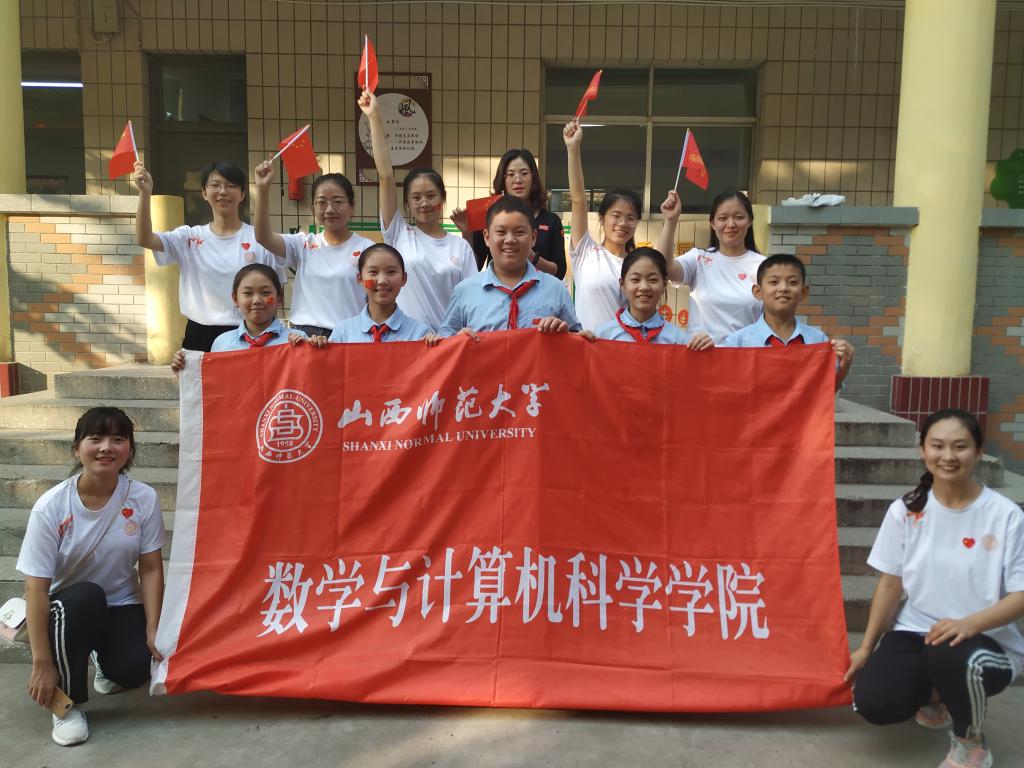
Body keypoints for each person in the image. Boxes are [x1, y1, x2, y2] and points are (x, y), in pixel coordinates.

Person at [845, 409, 1024, 768]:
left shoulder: (1005, 515)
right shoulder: (905, 510)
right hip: (917, 632)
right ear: (922, 450)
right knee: (874, 701)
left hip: (986, 642)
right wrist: (865, 648)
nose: (948, 456)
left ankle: (971, 743)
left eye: (960, 446)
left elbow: (1021, 595)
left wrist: (968, 624)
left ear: (978, 452)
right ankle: (938, 697)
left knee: (950, 653)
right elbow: (890, 583)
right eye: (937, 445)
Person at [16, 407, 165, 746]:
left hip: (121, 602)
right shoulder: (52, 507)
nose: (106, 447)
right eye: (95, 438)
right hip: (67, 607)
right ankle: (67, 706)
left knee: (134, 669)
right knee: (86, 595)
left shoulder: (143, 497)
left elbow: (151, 567)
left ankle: (100, 656)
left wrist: (153, 628)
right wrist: (42, 663)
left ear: (130, 449)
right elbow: (35, 589)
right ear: (77, 448)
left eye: (118, 439)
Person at [133, 160, 285, 351]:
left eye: (231, 186)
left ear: (242, 194)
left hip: (250, 334)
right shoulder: (189, 237)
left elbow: (277, 291)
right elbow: (145, 239)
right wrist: (144, 193)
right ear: (204, 192)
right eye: (215, 185)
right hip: (199, 335)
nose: (223, 191)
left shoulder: (261, 240)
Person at [359, 90, 477, 330]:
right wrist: (374, 117)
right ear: (407, 204)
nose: (424, 203)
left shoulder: (460, 247)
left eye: (431, 196)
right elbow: (385, 175)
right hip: (404, 339)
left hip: (446, 342)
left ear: (443, 199)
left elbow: (472, 299)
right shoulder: (399, 234)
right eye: (416, 197)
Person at [563, 118, 679, 331]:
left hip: (626, 348)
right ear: (602, 218)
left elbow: (661, 264)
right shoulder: (586, 252)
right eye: (616, 216)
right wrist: (573, 148)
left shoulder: (638, 264)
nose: (623, 223)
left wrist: (670, 221)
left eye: (630, 218)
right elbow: (578, 199)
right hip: (587, 347)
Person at [252, 164, 375, 338]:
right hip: (304, 337)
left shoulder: (367, 249)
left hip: (348, 337)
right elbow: (263, 237)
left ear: (351, 206)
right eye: (322, 202)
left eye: (338, 201)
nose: (330, 209)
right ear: (313, 208)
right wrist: (262, 189)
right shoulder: (303, 244)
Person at [439, 195, 581, 338]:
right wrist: (456, 339)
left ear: (533, 237)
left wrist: (564, 334)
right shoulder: (464, 292)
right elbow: (444, 342)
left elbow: (578, 341)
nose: (510, 240)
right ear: (487, 237)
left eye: (519, 232)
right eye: (501, 232)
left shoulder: (556, 290)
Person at [718, 254, 853, 389]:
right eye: (774, 282)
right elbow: (725, 388)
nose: (783, 288)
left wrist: (845, 365)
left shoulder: (818, 340)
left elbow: (825, 391)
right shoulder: (737, 343)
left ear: (804, 292)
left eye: (793, 282)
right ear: (758, 291)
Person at [664, 189, 766, 343]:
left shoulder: (764, 266)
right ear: (713, 223)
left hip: (745, 354)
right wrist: (670, 221)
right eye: (723, 218)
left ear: (749, 221)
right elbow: (664, 268)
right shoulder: (699, 259)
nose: (731, 224)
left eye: (739, 217)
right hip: (700, 354)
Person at [451, 148, 566, 278]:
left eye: (524, 173)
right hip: (497, 289)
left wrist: (528, 254)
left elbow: (559, 272)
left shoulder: (551, 221)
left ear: (533, 178)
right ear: (503, 180)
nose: (518, 179)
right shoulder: (488, 217)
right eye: (511, 174)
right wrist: (467, 234)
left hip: (539, 289)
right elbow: (473, 267)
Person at [294, 243, 438, 346]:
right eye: (373, 272)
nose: (382, 280)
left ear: (404, 278)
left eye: (391, 272)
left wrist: (434, 348)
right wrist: (315, 348)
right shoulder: (343, 333)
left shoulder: (420, 334)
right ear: (360, 279)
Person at [170, 264, 305, 371]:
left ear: (280, 298)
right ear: (235, 299)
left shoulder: (297, 340)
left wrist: (311, 350)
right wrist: (183, 371)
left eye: (265, 293)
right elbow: (214, 386)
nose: (257, 300)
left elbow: (307, 383)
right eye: (248, 293)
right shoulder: (222, 343)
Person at [591, 247, 713, 350]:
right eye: (635, 280)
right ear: (622, 284)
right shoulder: (602, 335)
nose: (644, 287)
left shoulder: (679, 340)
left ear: (664, 284)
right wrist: (582, 343)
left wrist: (706, 352)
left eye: (653, 280)